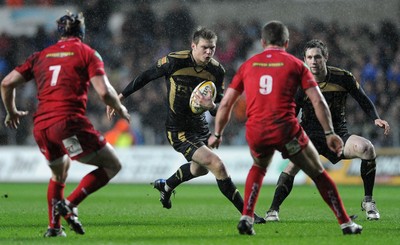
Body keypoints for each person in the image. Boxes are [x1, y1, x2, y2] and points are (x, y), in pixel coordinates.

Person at [209, 21, 362, 235]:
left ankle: (246, 216)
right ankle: (346, 223)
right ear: (287, 42)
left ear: (263, 42)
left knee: (259, 167)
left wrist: (217, 133)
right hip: (285, 128)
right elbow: (318, 102)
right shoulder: (296, 65)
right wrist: (329, 133)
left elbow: (225, 103)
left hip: (256, 130)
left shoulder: (248, 65)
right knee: (318, 172)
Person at [107, 27, 265, 224]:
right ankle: (248, 214)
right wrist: (119, 97)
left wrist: (211, 106)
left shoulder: (216, 70)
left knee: (200, 169)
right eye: (204, 48)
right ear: (193, 46)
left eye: (212, 48)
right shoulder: (175, 60)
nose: (208, 52)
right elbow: (146, 76)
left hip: (200, 128)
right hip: (178, 130)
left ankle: (166, 186)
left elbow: (220, 108)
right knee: (217, 165)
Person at [1, 11, 130, 237]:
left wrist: (11, 111)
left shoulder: (41, 55)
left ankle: (54, 227)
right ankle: (70, 203)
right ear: (81, 31)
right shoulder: (87, 53)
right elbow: (104, 91)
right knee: (112, 165)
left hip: (42, 127)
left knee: (59, 174)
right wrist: (119, 108)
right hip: (68, 124)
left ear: (58, 32)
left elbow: (6, 83)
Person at [265, 39, 390, 222]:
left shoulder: (343, 77)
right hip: (309, 137)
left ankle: (368, 202)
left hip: (338, 135)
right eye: (309, 57)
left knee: (367, 148)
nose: (313, 61)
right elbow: (292, 112)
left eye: (317, 57)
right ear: (305, 60)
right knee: (292, 167)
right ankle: (273, 210)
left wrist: (375, 117)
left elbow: (362, 98)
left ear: (326, 57)